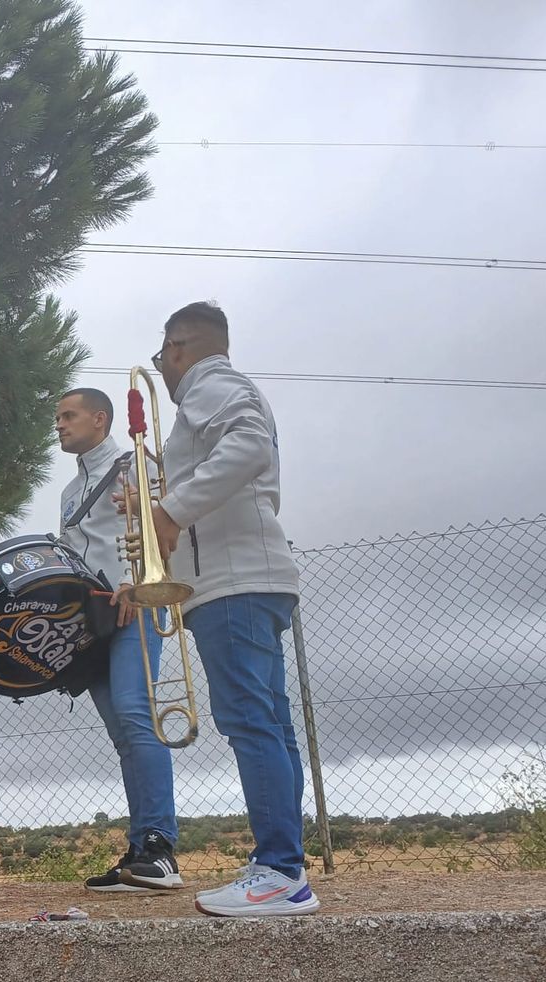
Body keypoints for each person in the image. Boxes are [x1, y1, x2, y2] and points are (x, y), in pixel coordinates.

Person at [136, 301, 318, 917]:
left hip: (234, 581)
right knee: (270, 722)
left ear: (178, 348)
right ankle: (282, 862)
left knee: (249, 721)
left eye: (163, 355)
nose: (163, 368)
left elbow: (248, 448)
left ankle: (280, 872)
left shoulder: (209, 385)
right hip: (250, 577)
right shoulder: (222, 390)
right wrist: (153, 502)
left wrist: (170, 509)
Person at [53, 387, 183, 893]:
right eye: (58, 417)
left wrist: (135, 582)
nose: (60, 425)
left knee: (135, 714)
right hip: (93, 618)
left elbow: (163, 531)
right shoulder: (69, 491)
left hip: (136, 602)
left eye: (69, 415)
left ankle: (160, 847)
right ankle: (139, 850)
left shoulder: (138, 463)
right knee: (122, 734)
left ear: (100, 419)